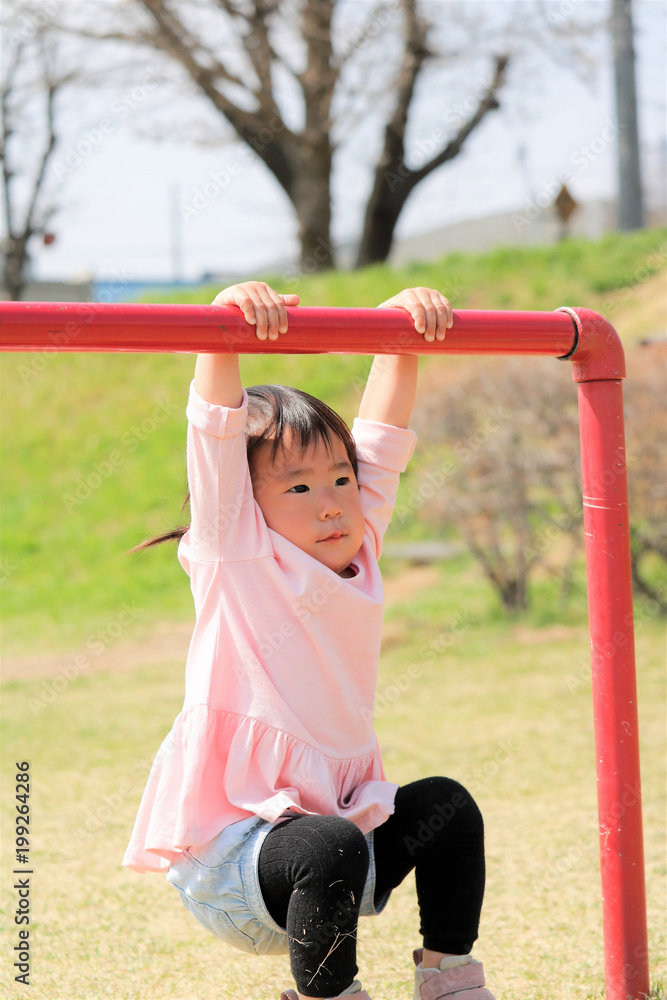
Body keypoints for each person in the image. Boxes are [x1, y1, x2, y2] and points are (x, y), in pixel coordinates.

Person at [123, 281, 495, 1000]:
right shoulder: (237, 554)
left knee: (446, 806)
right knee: (331, 840)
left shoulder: (359, 543)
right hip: (239, 865)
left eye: (339, 480)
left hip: (335, 860)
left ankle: (451, 980)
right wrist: (222, 331)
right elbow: (214, 432)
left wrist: (401, 329)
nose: (329, 503)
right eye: (296, 489)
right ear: (244, 504)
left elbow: (383, 439)